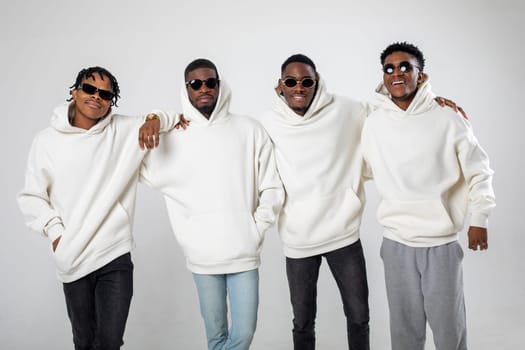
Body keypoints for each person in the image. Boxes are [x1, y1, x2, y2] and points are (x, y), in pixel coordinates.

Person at [17, 66, 175, 350]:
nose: (96, 97)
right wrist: (56, 233)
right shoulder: (47, 141)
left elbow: (175, 118)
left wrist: (153, 118)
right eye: (89, 89)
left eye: (105, 94)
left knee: (110, 341)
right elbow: (32, 196)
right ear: (74, 92)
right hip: (73, 257)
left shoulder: (124, 130)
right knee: (84, 341)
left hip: (113, 255)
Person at [140, 58, 284, 350]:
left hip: (243, 252)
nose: (204, 89)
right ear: (187, 89)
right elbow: (137, 160)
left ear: (220, 85)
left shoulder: (249, 129)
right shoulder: (175, 136)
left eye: (210, 82)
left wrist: (256, 229)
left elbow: (271, 185)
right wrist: (159, 117)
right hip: (202, 258)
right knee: (216, 337)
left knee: (243, 334)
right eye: (196, 84)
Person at [361, 42, 496, 350]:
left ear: (420, 75)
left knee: (449, 329)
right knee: (404, 331)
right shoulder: (373, 123)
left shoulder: (448, 118)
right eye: (390, 68)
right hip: (395, 243)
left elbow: (479, 170)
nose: (397, 73)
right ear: (383, 76)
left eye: (406, 66)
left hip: (440, 244)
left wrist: (480, 218)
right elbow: (361, 166)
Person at [258, 54, 371, 350]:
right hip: (298, 239)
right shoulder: (268, 123)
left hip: (343, 232)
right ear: (279, 86)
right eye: (291, 81)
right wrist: (161, 117)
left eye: (306, 81)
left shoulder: (346, 109)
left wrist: (431, 99)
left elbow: (386, 111)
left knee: (359, 316)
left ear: (316, 82)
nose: (300, 87)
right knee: (303, 321)